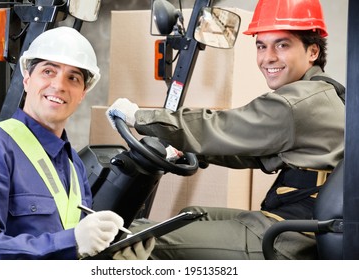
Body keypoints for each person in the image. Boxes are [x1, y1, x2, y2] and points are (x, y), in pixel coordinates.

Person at [106, 0, 345, 260]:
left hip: (289, 237)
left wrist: (138, 117)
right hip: (302, 224)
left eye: (282, 45)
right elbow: (255, 152)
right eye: (261, 46)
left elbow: (217, 126)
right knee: (189, 213)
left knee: (137, 236)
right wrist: (190, 150)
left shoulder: (296, 102)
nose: (268, 57)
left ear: (312, 51)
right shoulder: (325, 93)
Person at [0, 26, 154, 260]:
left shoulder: (73, 165)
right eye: (48, 71)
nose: (59, 85)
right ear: (26, 79)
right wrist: (72, 242)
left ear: (83, 93)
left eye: (73, 78)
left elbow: (75, 254)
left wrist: (111, 261)